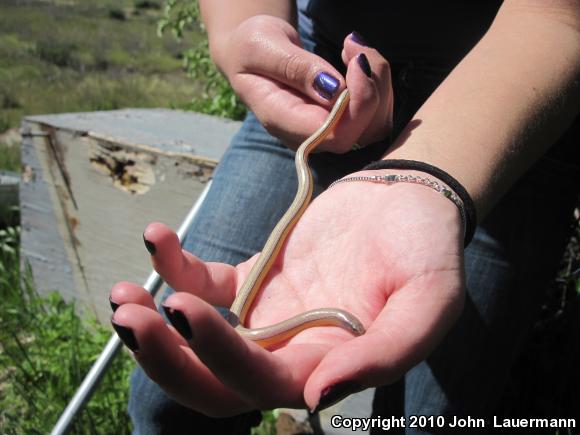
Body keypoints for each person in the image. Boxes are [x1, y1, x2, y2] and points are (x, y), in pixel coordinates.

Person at [109, 1, 580, 433]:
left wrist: (425, 178)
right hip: (323, 79)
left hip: (517, 92)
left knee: (433, 419)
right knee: (170, 398)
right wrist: (241, 33)